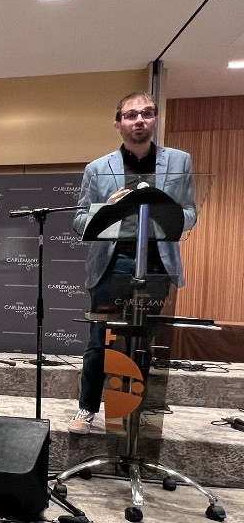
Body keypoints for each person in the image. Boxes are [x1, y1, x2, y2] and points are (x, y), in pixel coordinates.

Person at [68, 91, 197, 435]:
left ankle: (138, 415)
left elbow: (190, 213)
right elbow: (80, 220)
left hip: (158, 264)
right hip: (113, 265)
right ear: (119, 124)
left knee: (146, 341)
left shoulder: (179, 161)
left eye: (147, 113)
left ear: (155, 120)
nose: (139, 119)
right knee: (100, 341)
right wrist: (108, 211)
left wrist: (162, 211)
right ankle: (88, 408)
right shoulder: (97, 168)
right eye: (131, 115)